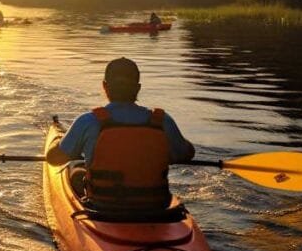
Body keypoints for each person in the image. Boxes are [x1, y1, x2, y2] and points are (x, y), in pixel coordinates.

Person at [45, 57, 195, 214]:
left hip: (103, 207)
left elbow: (54, 159)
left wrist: (57, 142)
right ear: (138, 88)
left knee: (76, 172)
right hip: (156, 206)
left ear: (105, 86)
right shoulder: (163, 121)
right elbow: (187, 154)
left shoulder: (88, 121)